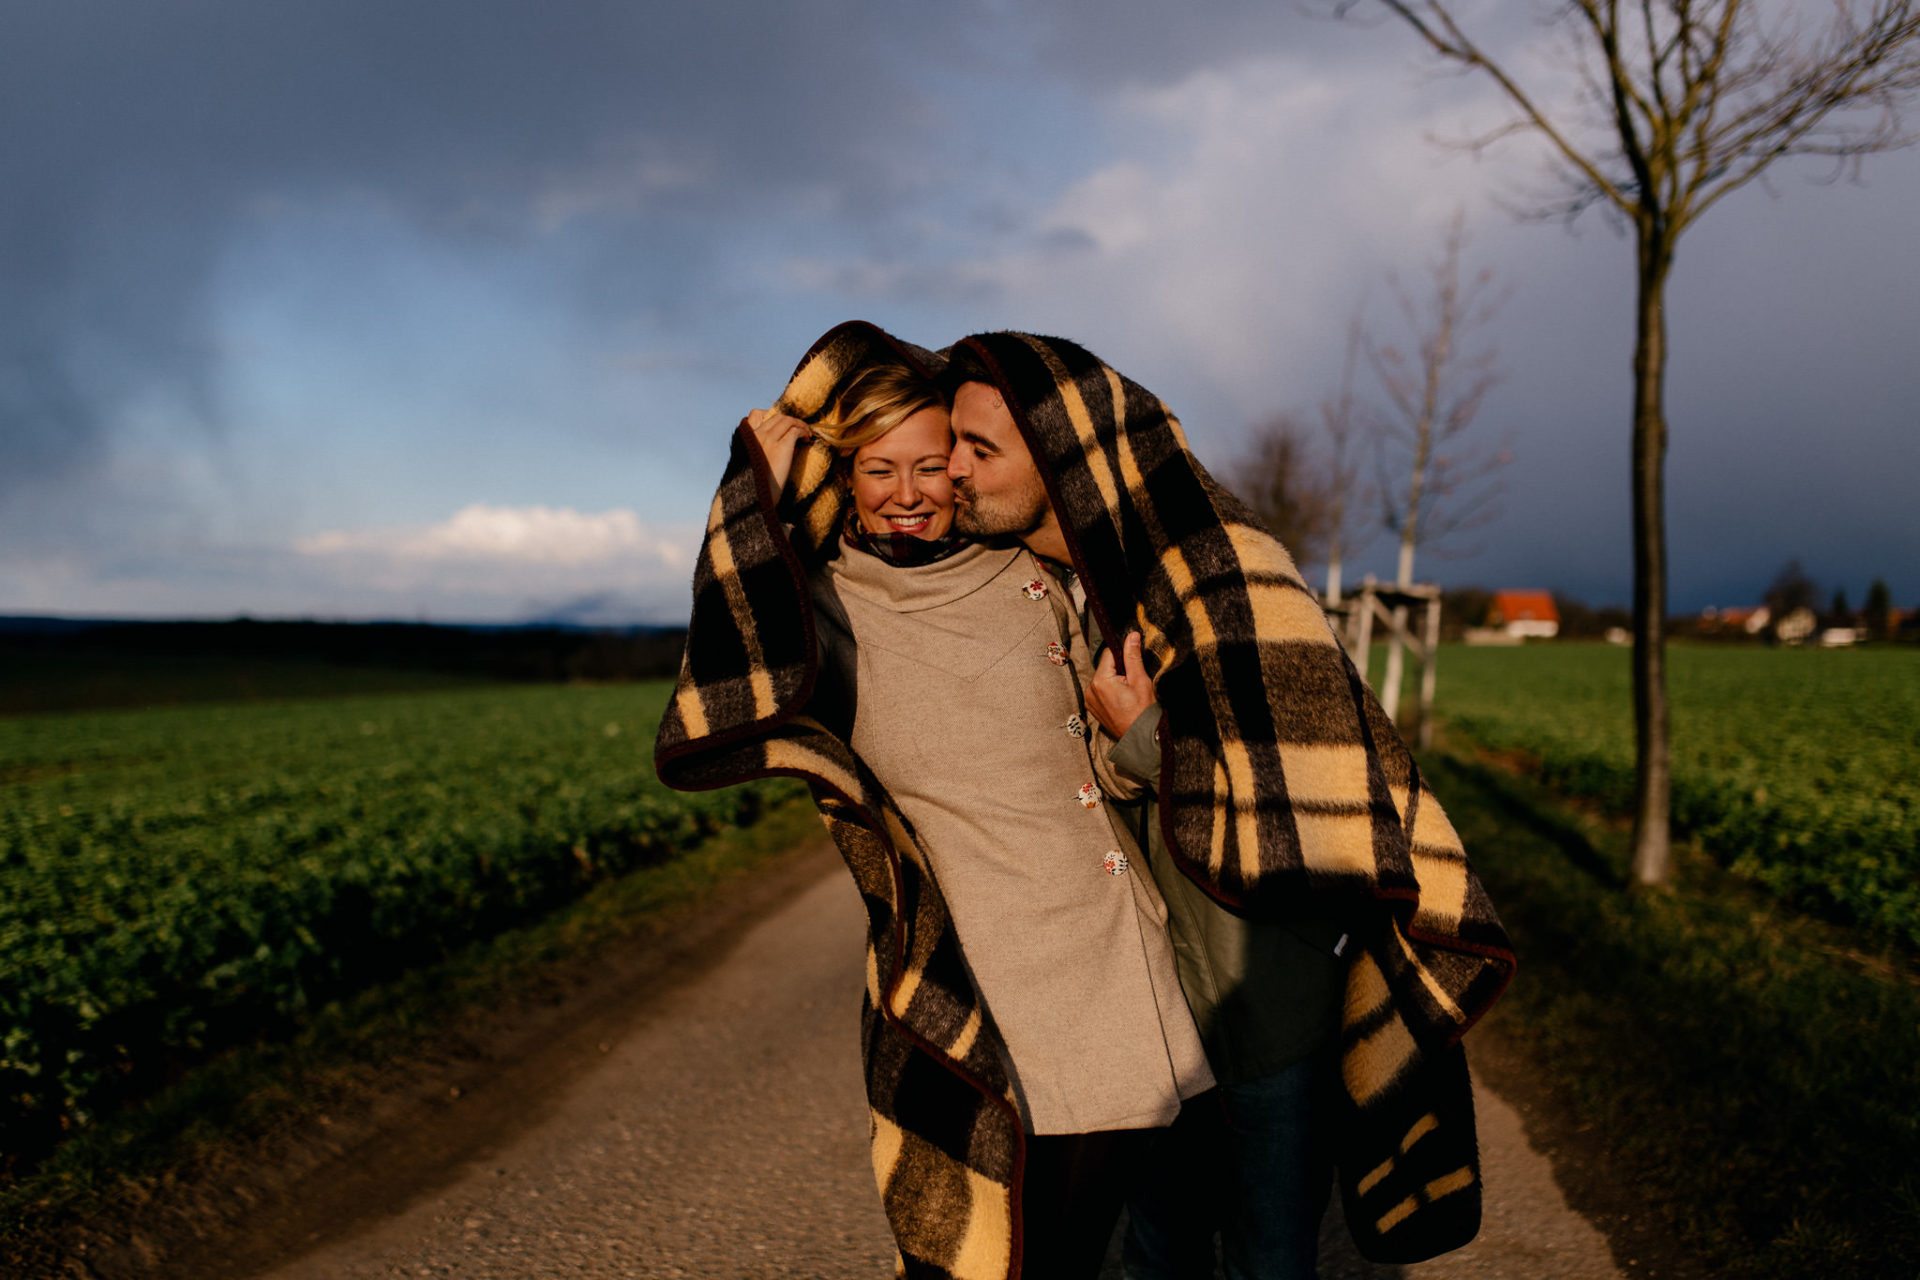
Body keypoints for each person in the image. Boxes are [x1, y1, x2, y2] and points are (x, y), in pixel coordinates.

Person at [936, 331, 1517, 1276]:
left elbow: (1310, 777)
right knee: (1156, 1251)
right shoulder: (1062, 590)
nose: (955, 470)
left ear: (1060, 453)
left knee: (1266, 1260)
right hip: (1148, 1004)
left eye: (978, 449)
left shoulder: (1223, 565)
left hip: (1262, 1008)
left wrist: (1141, 740)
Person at [656, 322, 1213, 1279]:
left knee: (1073, 1258)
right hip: (972, 985)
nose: (909, 494)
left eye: (933, 465)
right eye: (879, 469)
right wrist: (752, 490)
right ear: (845, 475)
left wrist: (1137, 733)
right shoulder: (821, 607)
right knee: (972, 1259)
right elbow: (723, 680)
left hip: (1114, 969)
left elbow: (1098, 772)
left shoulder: (1037, 574)